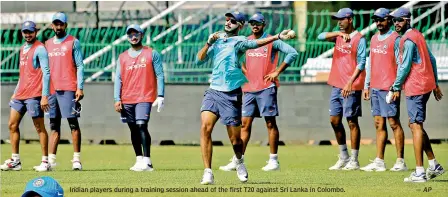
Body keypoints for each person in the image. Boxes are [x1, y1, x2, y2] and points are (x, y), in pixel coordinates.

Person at [196, 11, 295, 185]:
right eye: (227, 20)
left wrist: (277, 37)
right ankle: (208, 172)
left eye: (232, 21)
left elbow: (257, 43)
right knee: (205, 127)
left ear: (240, 25)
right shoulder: (218, 40)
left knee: (235, 140)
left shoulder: (240, 41)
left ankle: (240, 161)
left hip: (231, 94)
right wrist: (208, 42)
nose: (228, 23)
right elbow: (199, 60)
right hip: (213, 91)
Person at [219, 12, 298, 172]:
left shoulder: (272, 41)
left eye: (258, 23)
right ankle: (237, 160)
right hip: (248, 89)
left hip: (266, 88)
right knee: (244, 125)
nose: (255, 26)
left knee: (270, 123)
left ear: (264, 25)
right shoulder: (246, 41)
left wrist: (277, 72)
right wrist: (243, 69)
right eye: (252, 23)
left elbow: (292, 53)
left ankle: (273, 160)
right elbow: (235, 57)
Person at [388, 7, 444, 182]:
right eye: (394, 20)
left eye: (400, 20)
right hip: (425, 85)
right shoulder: (417, 34)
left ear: (407, 20)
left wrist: (395, 87)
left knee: (415, 125)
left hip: (416, 85)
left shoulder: (407, 39)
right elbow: (432, 59)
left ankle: (420, 172)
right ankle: (434, 164)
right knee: (415, 125)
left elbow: (404, 67)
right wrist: (435, 84)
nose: (396, 23)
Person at [317, 8, 366, 171]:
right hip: (336, 85)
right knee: (334, 120)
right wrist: (337, 35)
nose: (339, 22)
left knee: (352, 121)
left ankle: (354, 160)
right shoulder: (338, 37)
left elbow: (361, 63)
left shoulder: (360, 39)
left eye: (341, 19)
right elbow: (319, 36)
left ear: (350, 20)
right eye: (337, 19)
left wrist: (350, 82)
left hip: (350, 86)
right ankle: (344, 156)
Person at [360, 8, 407, 172]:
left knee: (394, 123)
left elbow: (401, 65)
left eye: (381, 20)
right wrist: (366, 85)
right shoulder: (373, 39)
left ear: (389, 20)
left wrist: (396, 87)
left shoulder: (396, 39)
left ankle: (400, 161)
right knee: (378, 124)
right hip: (375, 87)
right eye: (376, 20)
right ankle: (379, 161)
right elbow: (370, 63)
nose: (378, 23)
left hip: (389, 88)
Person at [1, 21, 51, 172]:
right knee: (12, 125)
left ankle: (45, 162)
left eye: (30, 32)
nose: (28, 35)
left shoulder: (40, 48)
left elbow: (47, 73)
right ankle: (15, 160)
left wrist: (44, 96)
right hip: (20, 94)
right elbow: (23, 74)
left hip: (34, 95)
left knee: (39, 127)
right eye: (25, 32)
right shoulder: (23, 48)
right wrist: (15, 92)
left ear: (36, 32)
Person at [114, 24, 165, 172]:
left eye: (136, 34)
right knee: (133, 129)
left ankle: (147, 161)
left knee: (142, 125)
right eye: (130, 34)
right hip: (127, 98)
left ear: (141, 35)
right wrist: (117, 98)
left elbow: (160, 75)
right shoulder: (122, 57)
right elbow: (118, 78)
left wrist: (160, 95)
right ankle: (139, 159)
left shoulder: (151, 53)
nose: (133, 37)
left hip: (144, 96)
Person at [45, 12, 85, 170]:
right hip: (52, 90)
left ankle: (76, 160)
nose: (59, 27)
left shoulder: (73, 42)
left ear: (65, 25)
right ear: (52, 25)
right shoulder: (47, 44)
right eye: (56, 24)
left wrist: (79, 87)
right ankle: (51, 161)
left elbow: (80, 65)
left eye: (61, 24)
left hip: (69, 87)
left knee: (73, 123)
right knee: (53, 125)